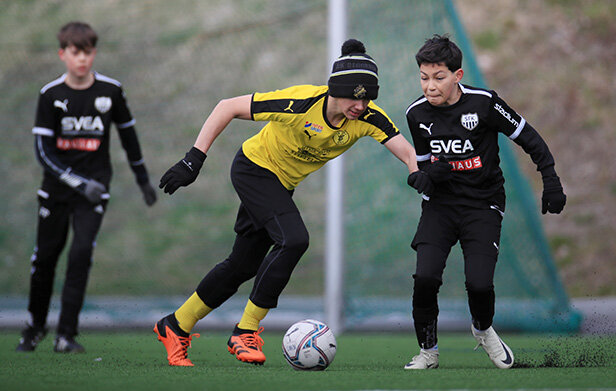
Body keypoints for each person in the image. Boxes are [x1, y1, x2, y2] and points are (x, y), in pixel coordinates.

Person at [153, 38, 418, 367]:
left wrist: (416, 172)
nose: (360, 106)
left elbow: (406, 150)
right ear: (336, 89)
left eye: (367, 99)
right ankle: (245, 331)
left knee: (242, 265)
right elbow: (227, 106)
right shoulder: (300, 102)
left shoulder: (367, 118)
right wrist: (194, 159)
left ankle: (176, 326)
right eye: (355, 97)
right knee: (294, 240)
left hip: (281, 185)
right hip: (254, 170)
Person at [403, 34, 566, 369]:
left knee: (479, 283)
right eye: (423, 78)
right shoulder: (416, 115)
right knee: (426, 278)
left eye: (438, 77)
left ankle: (482, 329)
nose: (430, 86)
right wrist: (428, 176)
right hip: (440, 207)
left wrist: (550, 179)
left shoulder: (484, 103)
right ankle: (428, 352)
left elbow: (528, 136)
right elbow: (423, 166)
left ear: (457, 75)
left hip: (483, 204)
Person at [16, 21, 157, 354]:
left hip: (95, 191)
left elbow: (129, 138)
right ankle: (35, 326)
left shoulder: (110, 91)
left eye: (88, 52)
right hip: (58, 191)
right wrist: (77, 182)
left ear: (94, 53)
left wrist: (143, 181)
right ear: (62, 54)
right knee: (45, 259)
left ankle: (66, 335)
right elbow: (43, 152)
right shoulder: (50, 95)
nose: (82, 59)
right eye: (75, 53)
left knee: (80, 255)